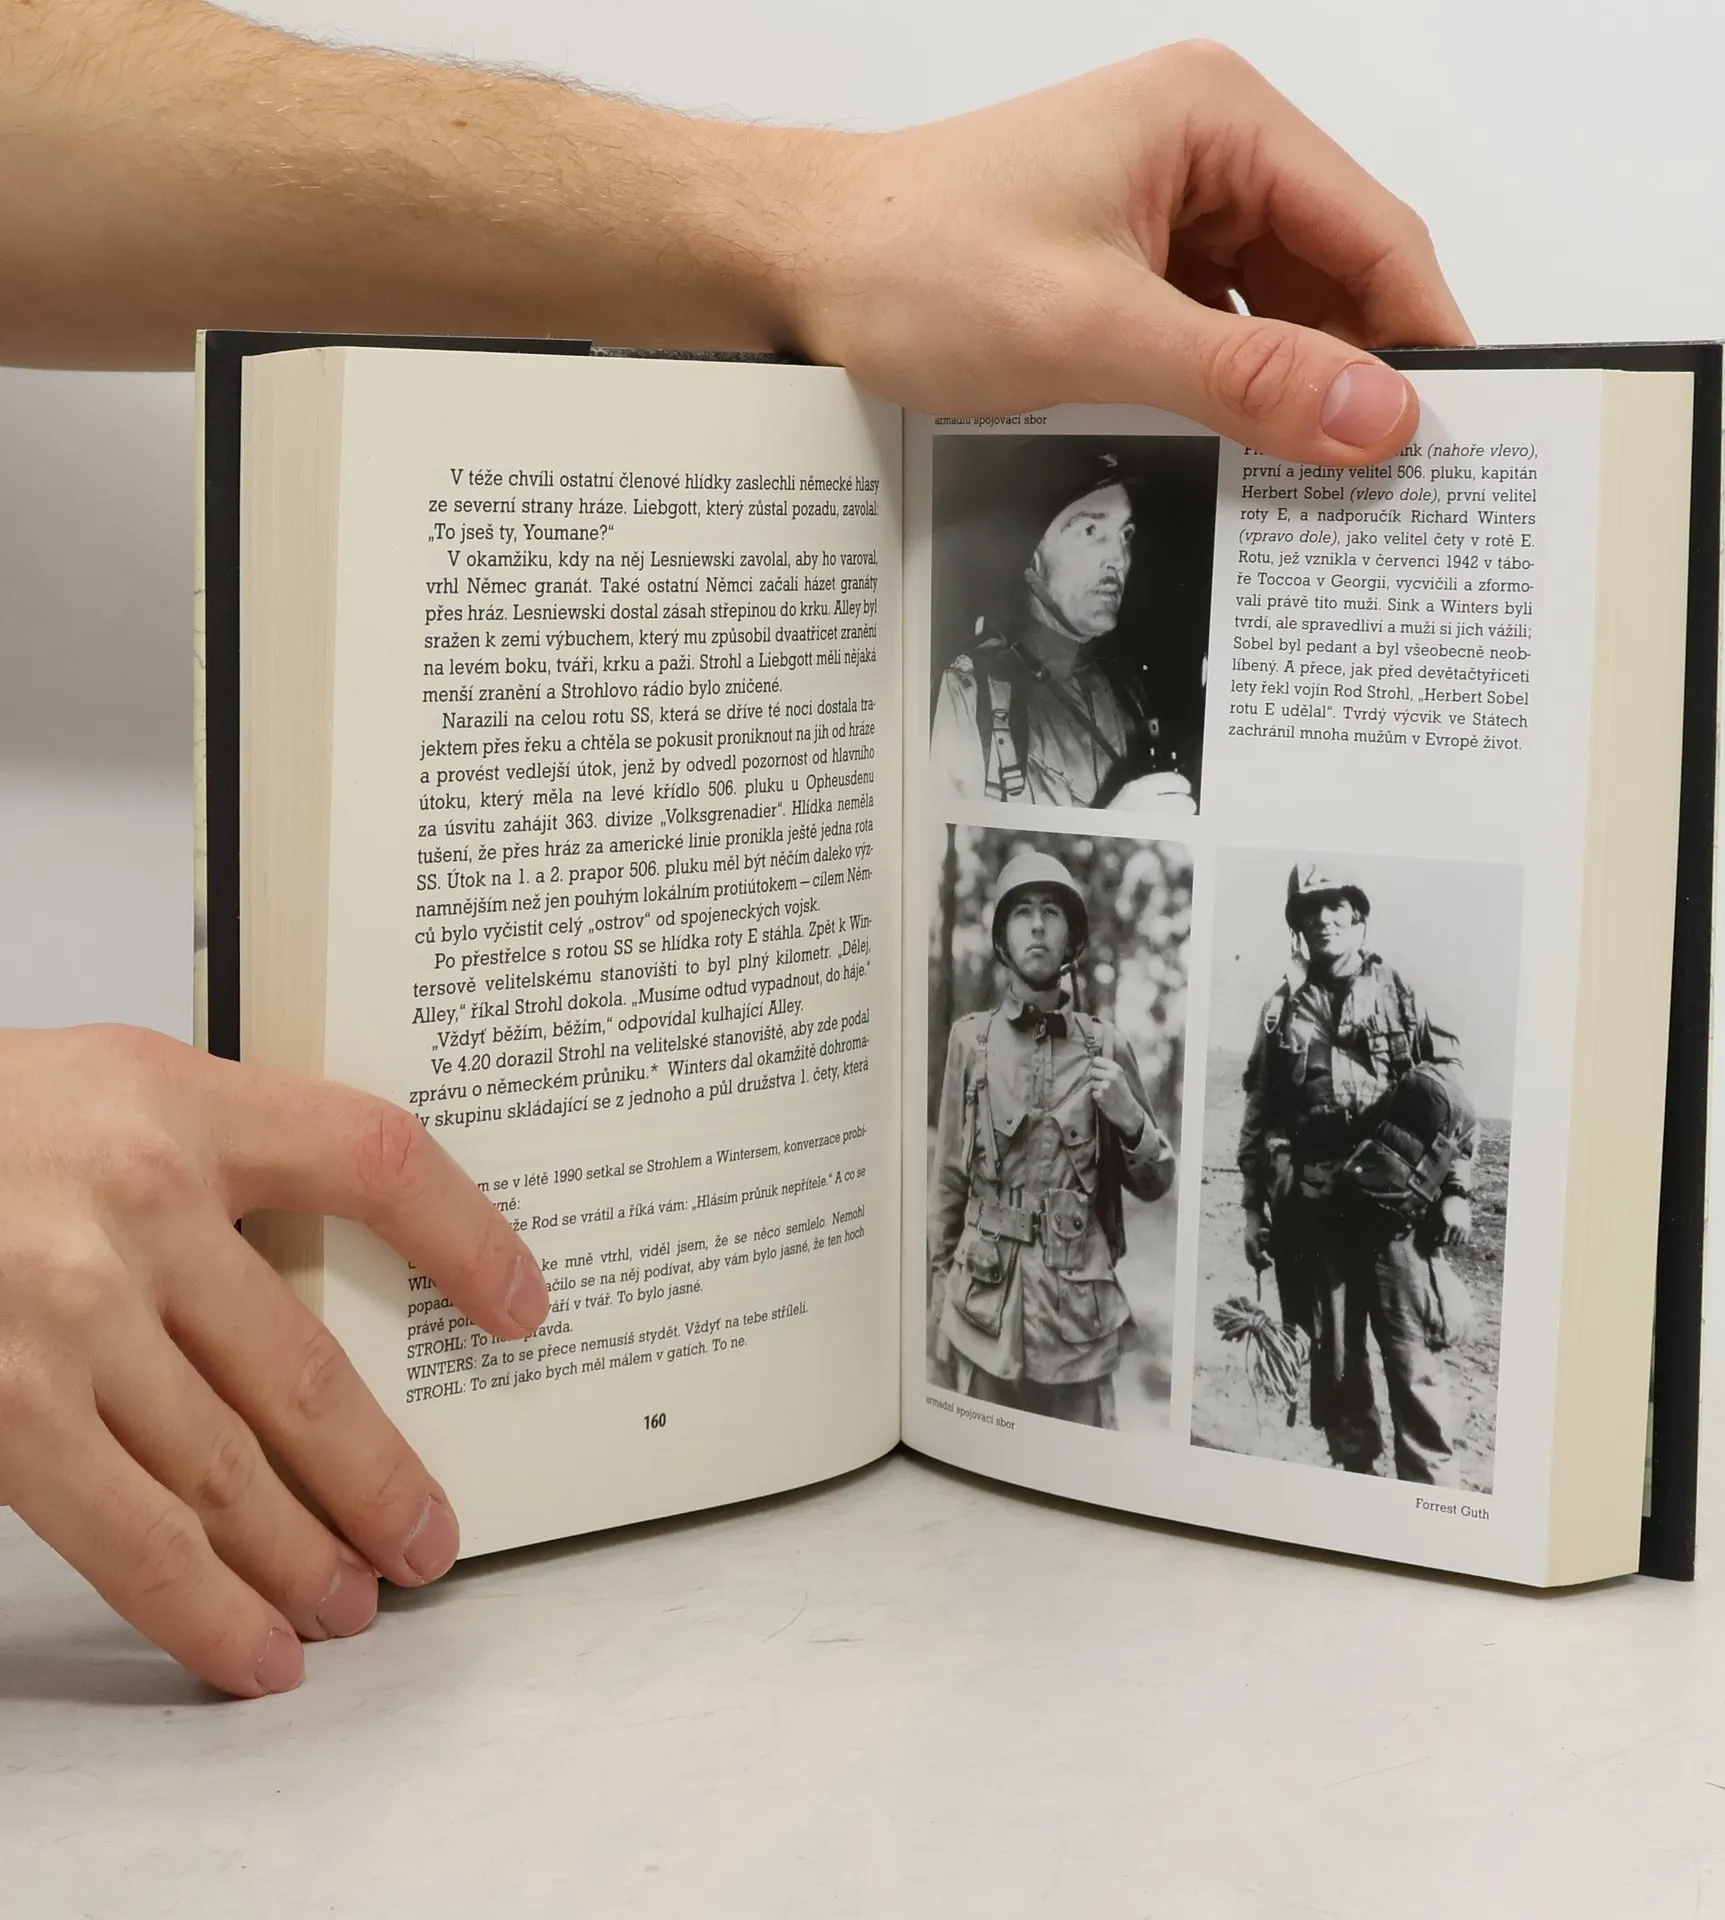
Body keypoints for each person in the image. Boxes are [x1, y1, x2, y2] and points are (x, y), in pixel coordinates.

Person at [1, 0, 1470, 1693]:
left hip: (1078, 1370)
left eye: (1131, 547)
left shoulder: (1151, 789)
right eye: (1088, 531)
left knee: (1350, 1408)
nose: (1116, 565)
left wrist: (808, 222)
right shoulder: (989, 762)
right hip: (976, 1322)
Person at [1237, 863, 1478, 1484]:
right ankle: (1358, 1498)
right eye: (1309, 909)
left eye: (1334, 905)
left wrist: (1457, 1190)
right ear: (1297, 924)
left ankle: (1431, 1506)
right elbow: (1261, 1110)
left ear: (1357, 916)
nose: (1322, 919)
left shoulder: (1403, 990)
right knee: (1338, 1373)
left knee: (1415, 1368)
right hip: (1317, 1218)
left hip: (1398, 1217)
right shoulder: (1281, 1010)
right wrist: (1252, 1208)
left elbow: (1450, 1100)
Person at [929, 853, 1175, 1427]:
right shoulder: (971, 1043)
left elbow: (1156, 1181)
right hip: (980, 1317)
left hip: (1076, 1333)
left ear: (1071, 938)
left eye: (1050, 913)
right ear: (1002, 936)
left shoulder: (1107, 1048)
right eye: (1022, 912)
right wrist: (941, 1304)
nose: (1037, 925)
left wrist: (1130, 1119)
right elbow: (948, 1183)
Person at [930, 444, 1193, 813]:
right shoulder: (971, 693)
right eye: (1090, 530)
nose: (1118, 558)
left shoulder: (1129, 693)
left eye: (1126, 534)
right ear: (1030, 555)